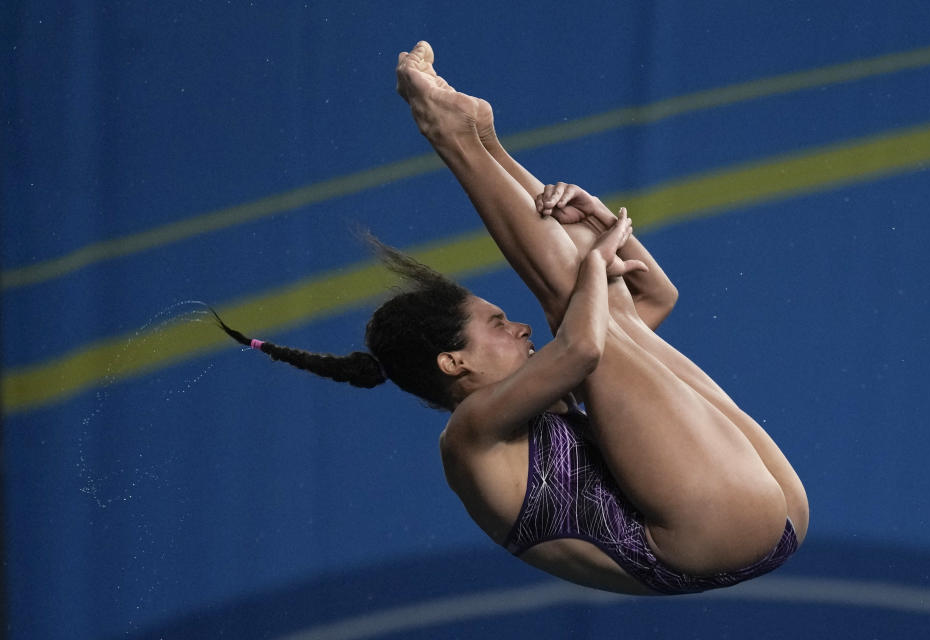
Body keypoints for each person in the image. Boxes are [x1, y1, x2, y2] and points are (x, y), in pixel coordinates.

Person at [216, 41, 808, 595]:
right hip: (707, 536)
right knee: (577, 306)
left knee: (602, 305)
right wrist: (597, 261)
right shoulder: (470, 436)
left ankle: (483, 139)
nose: (518, 328)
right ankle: (451, 133)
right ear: (454, 361)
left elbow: (655, 298)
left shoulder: (540, 394)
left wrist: (601, 225)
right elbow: (582, 344)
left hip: (772, 514)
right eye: (497, 324)